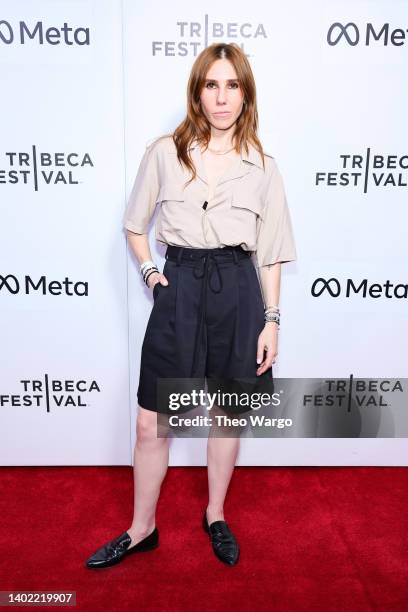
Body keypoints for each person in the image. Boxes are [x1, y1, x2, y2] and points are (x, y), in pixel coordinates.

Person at [85, 42, 297, 570]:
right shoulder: (164, 152)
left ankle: (216, 514)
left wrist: (271, 321)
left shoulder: (264, 166)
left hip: (238, 289)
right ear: (197, 91)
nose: (221, 97)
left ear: (245, 93)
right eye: (211, 84)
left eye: (232, 85)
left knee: (227, 414)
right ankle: (142, 528)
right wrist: (154, 275)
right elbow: (135, 226)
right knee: (149, 422)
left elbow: (270, 255)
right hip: (179, 284)